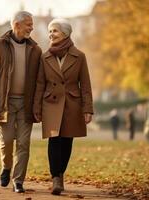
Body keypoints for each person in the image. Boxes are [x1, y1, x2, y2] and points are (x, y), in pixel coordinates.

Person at [0, 11, 42, 193]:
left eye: (32, 24)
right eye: (28, 24)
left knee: (24, 143)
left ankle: (18, 181)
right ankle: (6, 167)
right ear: (16, 24)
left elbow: (40, 81)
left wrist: (38, 105)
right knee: (7, 141)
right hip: (4, 103)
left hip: (26, 104)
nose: (31, 28)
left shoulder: (36, 50)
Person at [33, 18, 94, 195]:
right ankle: (56, 178)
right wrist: (36, 108)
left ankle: (60, 173)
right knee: (54, 141)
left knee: (67, 141)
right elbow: (39, 84)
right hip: (51, 104)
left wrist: (87, 109)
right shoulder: (45, 57)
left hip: (72, 105)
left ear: (65, 34)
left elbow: (86, 84)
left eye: (55, 31)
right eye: (50, 31)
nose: (51, 34)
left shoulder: (79, 56)